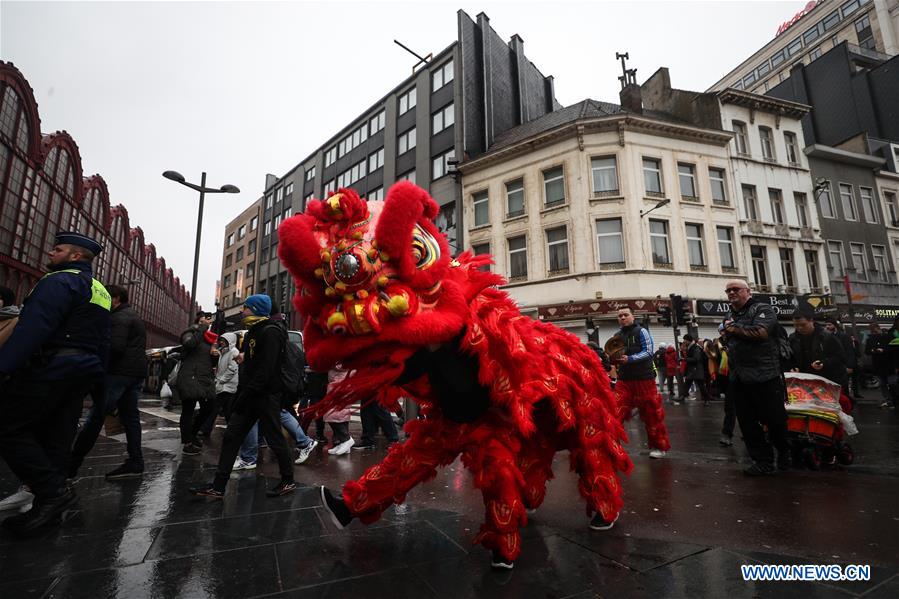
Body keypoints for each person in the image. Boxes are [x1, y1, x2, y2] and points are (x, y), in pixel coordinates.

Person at [0, 231, 111, 535]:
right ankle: (46, 510)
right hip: (82, 370)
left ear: (75, 256)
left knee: (8, 427)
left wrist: (4, 367)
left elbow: (35, 327)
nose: (51, 252)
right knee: (57, 437)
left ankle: (52, 492)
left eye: (58, 249)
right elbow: (104, 339)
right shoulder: (100, 290)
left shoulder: (59, 282)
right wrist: (99, 380)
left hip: (54, 365)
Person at [189, 294, 297, 498]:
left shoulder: (271, 332)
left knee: (275, 438)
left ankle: (288, 480)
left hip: (265, 396)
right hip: (250, 395)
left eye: (246, 308)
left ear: (256, 309)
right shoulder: (252, 332)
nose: (242, 311)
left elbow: (265, 371)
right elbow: (249, 366)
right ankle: (218, 486)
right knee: (231, 437)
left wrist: (244, 394)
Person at [68, 284, 147, 479]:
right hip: (133, 374)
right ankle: (135, 461)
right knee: (130, 418)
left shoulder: (119, 318)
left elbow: (115, 347)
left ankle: (70, 466)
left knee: (96, 417)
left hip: (117, 373)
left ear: (116, 298)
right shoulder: (132, 316)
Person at [721, 279, 788, 475]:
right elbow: (729, 337)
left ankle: (784, 451)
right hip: (739, 377)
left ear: (747, 291)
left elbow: (760, 332)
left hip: (765, 375)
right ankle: (762, 461)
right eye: (728, 290)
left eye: (735, 289)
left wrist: (731, 329)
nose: (731, 293)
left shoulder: (763, 309)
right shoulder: (730, 314)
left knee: (775, 420)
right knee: (747, 422)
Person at [611, 307, 670, 458]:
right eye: (620, 316)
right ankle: (611, 446)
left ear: (633, 316)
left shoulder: (641, 331)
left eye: (626, 315)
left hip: (644, 379)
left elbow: (649, 352)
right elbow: (613, 354)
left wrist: (629, 359)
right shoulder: (616, 336)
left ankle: (659, 446)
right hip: (624, 380)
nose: (623, 318)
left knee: (652, 414)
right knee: (614, 412)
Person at [176, 312, 217, 455]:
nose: (207, 321)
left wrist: (214, 356)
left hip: (204, 377)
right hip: (190, 375)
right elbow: (190, 344)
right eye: (204, 318)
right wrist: (201, 328)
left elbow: (209, 361)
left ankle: (192, 434)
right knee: (188, 409)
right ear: (198, 321)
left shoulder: (209, 338)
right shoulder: (189, 332)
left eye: (208, 319)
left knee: (209, 407)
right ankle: (187, 443)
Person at [789, 310, 847, 388]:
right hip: (803, 380)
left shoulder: (827, 336)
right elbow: (790, 357)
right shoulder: (793, 338)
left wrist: (823, 363)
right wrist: (793, 367)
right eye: (796, 325)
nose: (800, 328)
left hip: (826, 379)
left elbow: (840, 357)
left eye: (803, 325)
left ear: (811, 321)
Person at [324, 366, 355, 455]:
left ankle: (346, 439)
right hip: (341, 382)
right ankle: (344, 443)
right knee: (341, 414)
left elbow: (341, 365)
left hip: (340, 383)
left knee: (330, 414)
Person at [864, 322, 895, 409]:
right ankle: (889, 400)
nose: (874, 333)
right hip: (879, 364)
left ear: (878, 328)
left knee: (891, 383)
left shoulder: (887, 337)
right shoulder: (870, 339)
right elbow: (867, 351)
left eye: (875, 331)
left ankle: (892, 399)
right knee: (883, 383)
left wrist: (883, 350)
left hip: (888, 364)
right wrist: (874, 350)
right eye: (872, 332)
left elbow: (893, 349)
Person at [823, 318, 856, 400]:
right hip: (830, 366)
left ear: (835, 326)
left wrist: (850, 366)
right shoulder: (824, 336)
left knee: (843, 389)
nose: (827, 327)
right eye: (826, 325)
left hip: (842, 366)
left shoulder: (843, 336)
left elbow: (849, 351)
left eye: (830, 325)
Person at [680, 334, 710, 404]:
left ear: (688, 340)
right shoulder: (690, 347)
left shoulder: (695, 348)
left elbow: (696, 359)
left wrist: (684, 359)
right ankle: (682, 396)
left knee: (701, 386)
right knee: (687, 384)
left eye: (685, 340)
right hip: (692, 370)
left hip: (696, 370)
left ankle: (707, 400)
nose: (684, 341)